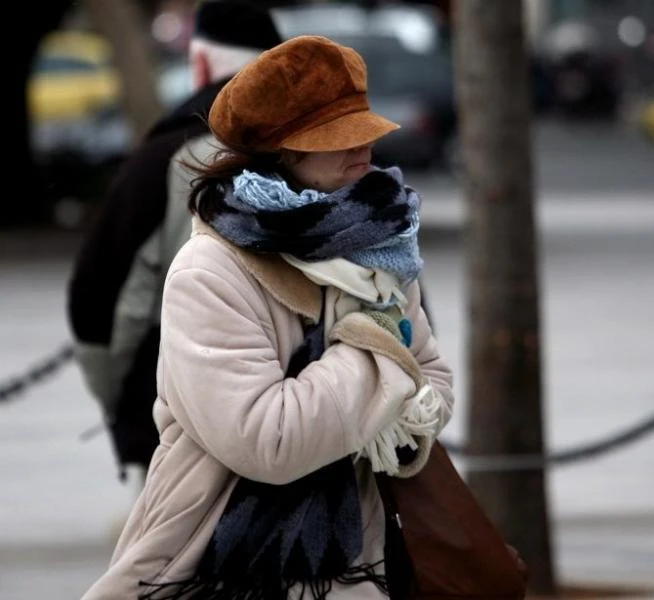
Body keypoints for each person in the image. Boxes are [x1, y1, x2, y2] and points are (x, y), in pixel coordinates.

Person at [81, 34, 454, 599]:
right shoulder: (210, 271)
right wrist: (374, 347)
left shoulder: (380, 245)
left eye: (365, 132)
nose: (365, 151)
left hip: (365, 559)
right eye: (338, 139)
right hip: (215, 563)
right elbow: (270, 443)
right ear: (283, 152)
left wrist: (390, 392)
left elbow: (436, 387)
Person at [67, 0, 285, 487]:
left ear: (202, 63)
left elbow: (97, 297)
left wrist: (124, 410)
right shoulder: (331, 149)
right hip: (310, 420)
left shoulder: (159, 159)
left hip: (180, 416)